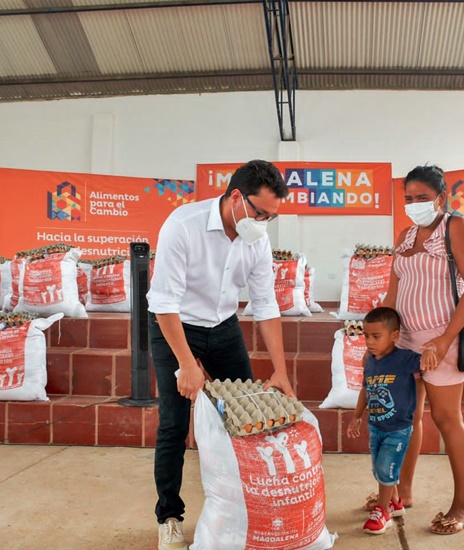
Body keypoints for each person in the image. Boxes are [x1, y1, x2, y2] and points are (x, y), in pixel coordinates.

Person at [147, 159, 295, 550]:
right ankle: (169, 516)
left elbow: (265, 305)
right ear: (236, 197)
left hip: (224, 327)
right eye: (260, 213)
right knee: (174, 424)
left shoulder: (256, 240)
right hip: (175, 325)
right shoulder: (183, 225)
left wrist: (280, 371)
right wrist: (186, 364)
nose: (263, 223)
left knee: (244, 416)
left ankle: (241, 508)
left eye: (271, 217)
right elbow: (164, 302)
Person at [362, 165, 464, 535]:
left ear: (441, 197)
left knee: (447, 419)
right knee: (407, 418)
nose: (414, 204)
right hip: (403, 341)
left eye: (422, 197)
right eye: (409, 198)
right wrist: (380, 339)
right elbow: (393, 293)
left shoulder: (455, 227)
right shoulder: (406, 235)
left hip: (440, 340)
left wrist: (445, 339)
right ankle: (403, 493)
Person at [347, 306, 423, 535]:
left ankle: (383, 511)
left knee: (385, 468)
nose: (369, 341)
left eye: (376, 336)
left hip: (398, 428)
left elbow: (428, 362)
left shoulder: (403, 359)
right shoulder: (371, 362)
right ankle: (396, 503)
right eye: (366, 336)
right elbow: (365, 390)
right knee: (379, 468)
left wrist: (432, 352)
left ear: (394, 335)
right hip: (376, 426)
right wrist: (357, 416)